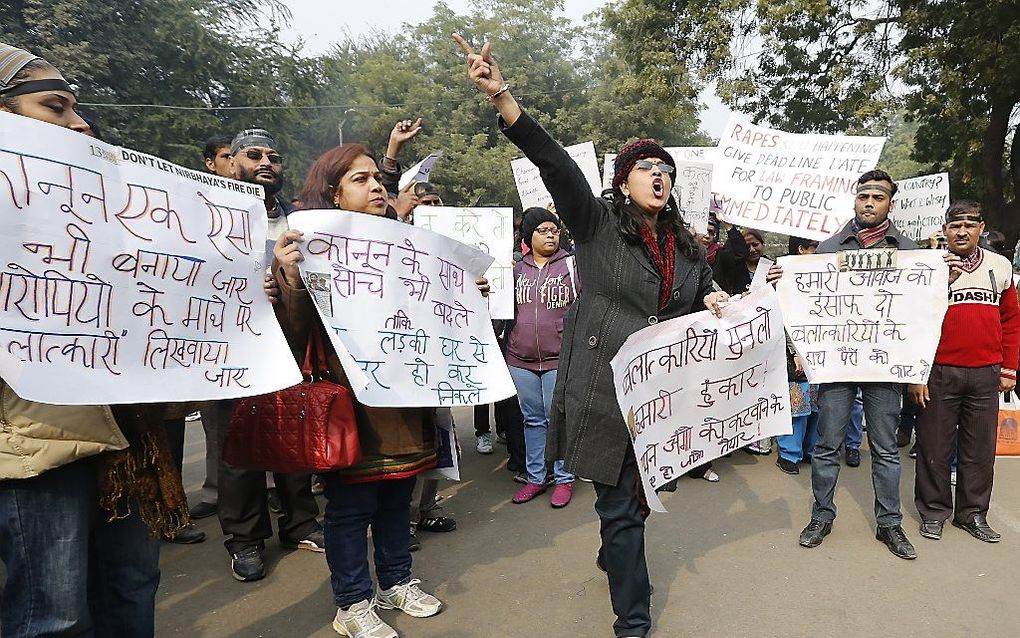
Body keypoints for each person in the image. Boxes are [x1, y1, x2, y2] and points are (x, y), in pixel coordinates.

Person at [455, 34, 726, 638]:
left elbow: (702, 285)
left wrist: (712, 296)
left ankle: (615, 552)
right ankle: (633, 618)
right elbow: (554, 161)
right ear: (624, 180)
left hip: (659, 393)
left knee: (633, 500)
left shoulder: (686, 243)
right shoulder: (595, 223)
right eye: (647, 170)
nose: (660, 178)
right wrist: (502, 97)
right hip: (603, 388)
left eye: (667, 172)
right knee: (620, 504)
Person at [0, 43, 186, 637]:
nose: (79, 124)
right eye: (55, 108)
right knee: (51, 613)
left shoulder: (105, 214)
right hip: (38, 448)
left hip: (129, 438)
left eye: (77, 110)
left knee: (131, 589)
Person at [274, 142, 489, 638]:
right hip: (351, 407)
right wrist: (289, 276)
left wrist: (465, 294)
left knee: (398, 498)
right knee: (351, 510)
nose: (376, 186)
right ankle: (351, 602)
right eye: (360, 179)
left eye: (377, 178)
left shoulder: (406, 245)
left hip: (406, 401)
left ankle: (396, 581)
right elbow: (295, 334)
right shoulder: (306, 250)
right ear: (332, 193)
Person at [769, 169, 947, 560]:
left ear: (890, 204)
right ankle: (821, 515)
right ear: (855, 200)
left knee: (884, 448)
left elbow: (922, 311)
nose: (869, 202)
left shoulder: (911, 250)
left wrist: (939, 275)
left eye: (878, 197)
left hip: (885, 368)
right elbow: (807, 301)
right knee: (828, 443)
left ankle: (890, 524)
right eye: (864, 195)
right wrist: (785, 278)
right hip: (837, 366)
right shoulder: (830, 246)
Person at [208, 128, 325, 583]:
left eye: (274, 157)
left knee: (292, 438)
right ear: (230, 162)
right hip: (231, 348)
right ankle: (245, 539)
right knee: (238, 446)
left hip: (291, 347)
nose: (265, 163)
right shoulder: (207, 218)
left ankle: (301, 524)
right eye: (253, 155)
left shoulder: (301, 222)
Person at [909, 201, 1020, 543]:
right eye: (955, 225)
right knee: (934, 446)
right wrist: (916, 373)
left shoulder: (1000, 266)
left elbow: (1011, 320)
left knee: (980, 450)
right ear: (945, 230)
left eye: (970, 225)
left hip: (986, 374)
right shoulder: (927, 267)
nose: (962, 231)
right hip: (939, 372)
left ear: (981, 228)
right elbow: (912, 321)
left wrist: (1009, 368)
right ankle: (933, 512)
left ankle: (972, 514)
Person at [506, 207, 580, 507]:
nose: (551, 235)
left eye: (554, 230)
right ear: (529, 236)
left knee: (556, 418)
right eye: (542, 230)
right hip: (519, 358)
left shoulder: (572, 267)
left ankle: (564, 478)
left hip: (559, 358)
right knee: (532, 420)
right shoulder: (514, 270)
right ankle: (536, 477)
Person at [189, 135, 236, 523]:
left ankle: (286, 501)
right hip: (217, 337)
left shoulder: (286, 213)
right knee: (221, 425)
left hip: (272, 338)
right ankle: (219, 493)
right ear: (214, 163)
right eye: (230, 157)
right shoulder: (196, 208)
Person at [776, 237, 820, 475]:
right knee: (797, 404)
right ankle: (789, 454)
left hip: (821, 353)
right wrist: (795, 352)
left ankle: (811, 450)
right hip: (796, 355)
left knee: (817, 405)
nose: (819, 251)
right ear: (801, 249)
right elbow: (786, 317)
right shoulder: (785, 277)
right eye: (814, 247)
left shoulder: (826, 275)